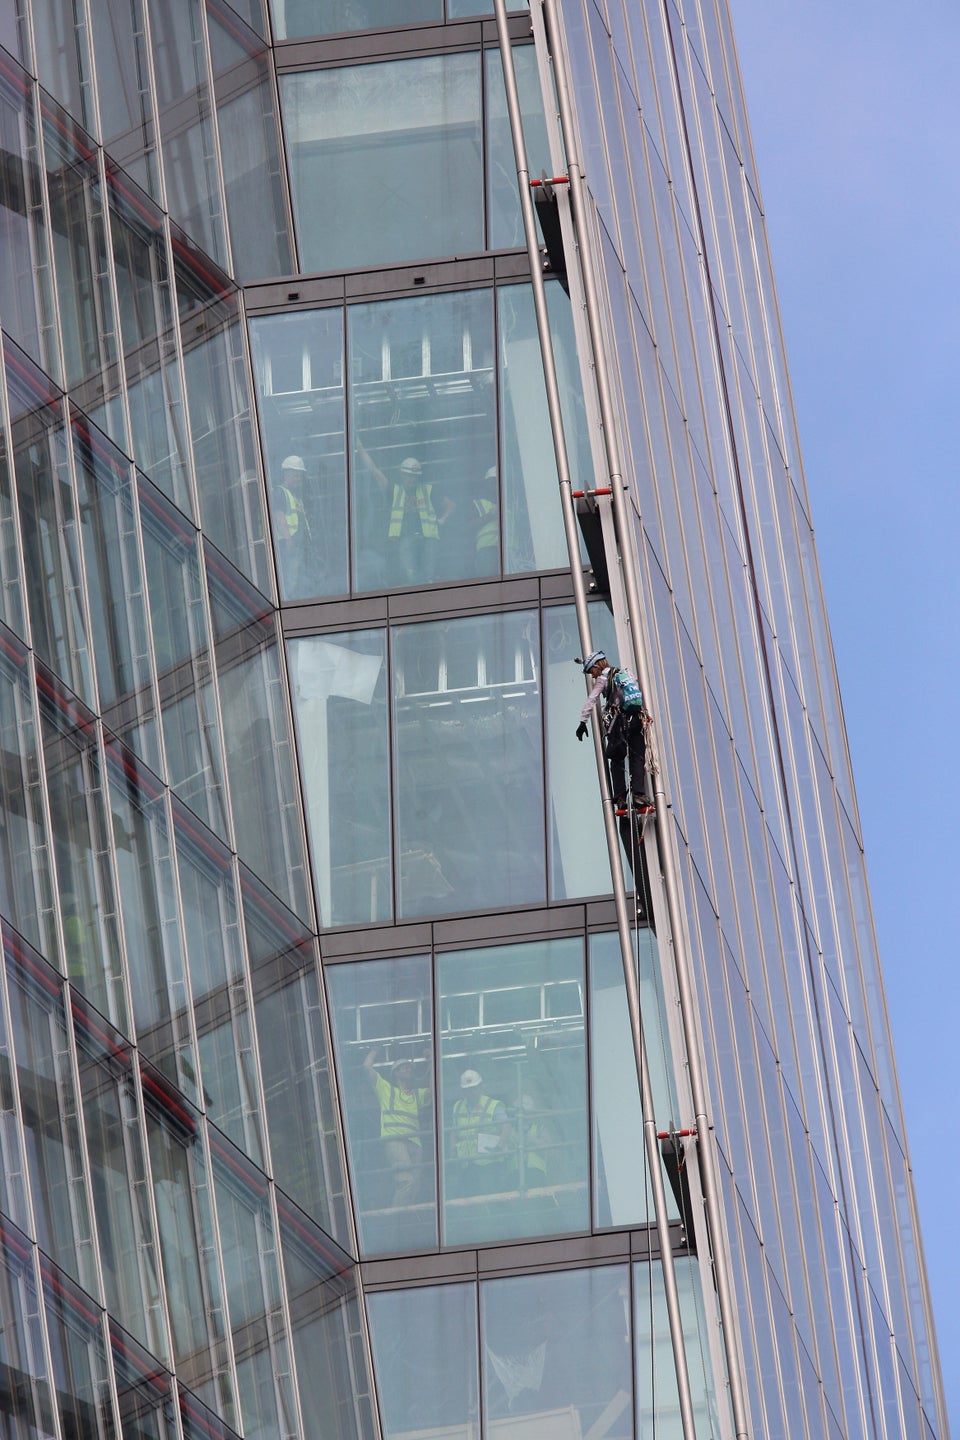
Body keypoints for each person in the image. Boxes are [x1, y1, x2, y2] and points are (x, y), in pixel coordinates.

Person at [357, 446, 454, 585]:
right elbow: (374, 470)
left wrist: (442, 520)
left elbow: (450, 505)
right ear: (402, 475)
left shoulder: (428, 490)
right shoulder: (395, 491)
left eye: (414, 476)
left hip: (428, 538)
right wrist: (359, 447)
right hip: (406, 539)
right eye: (408, 475)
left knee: (429, 577)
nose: (411, 479)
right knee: (412, 577)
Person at [575, 649, 653, 812]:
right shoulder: (626, 674)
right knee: (637, 757)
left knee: (616, 758)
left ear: (598, 666)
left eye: (592, 671)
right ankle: (639, 795)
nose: (593, 676)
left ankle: (620, 797)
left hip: (619, 722)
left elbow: (591, 700)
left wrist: (583, 722)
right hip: (636, 720)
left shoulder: (604, 679)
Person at [363, 1048, 431, 1207]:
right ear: (395, 1072)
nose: (409, 1069)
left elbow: (433, 1090)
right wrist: (376, 1048)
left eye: (410, 1067)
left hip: (415, 1144)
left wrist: (431, 1061)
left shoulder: (416, 1094)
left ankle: (407, 1222)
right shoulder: (386, 1089)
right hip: (395, 1142)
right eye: (404, 1067)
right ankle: (395, 1220)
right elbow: (367, 1066)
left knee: (416, 1186)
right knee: (406, 1182)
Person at [450, 1069, 513, 1197]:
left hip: (489, 1162)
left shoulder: (492, 1105)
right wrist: (453, 1150)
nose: (471, 1092)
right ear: (463, 1091)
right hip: (466, 1162)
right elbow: (454, 1130)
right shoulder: (457, 1106)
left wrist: (500, 1146)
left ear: (480, 1087)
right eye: (468, 1089)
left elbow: (506, 1126)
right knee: (468, 1200)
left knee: (489, 1197)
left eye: (474, 1088)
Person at [272, 454, 314, 596]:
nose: (298, 480)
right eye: (295, 476)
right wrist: (289, 540)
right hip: (289, 543)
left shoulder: (295, 494)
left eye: (300, 476)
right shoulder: (280, 492)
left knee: (299, 575)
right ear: (286, 474)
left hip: (299, 543)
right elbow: (279, 517)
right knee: (291, 576)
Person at [471, 465, 499, 576]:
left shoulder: (511, 503)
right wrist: (489, 516)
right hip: (487, 550)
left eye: (497, 482)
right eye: (493, 482)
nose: (495, 486)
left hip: (510, 550)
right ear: (487, 484)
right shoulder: (477, 504)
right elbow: (468, 527)